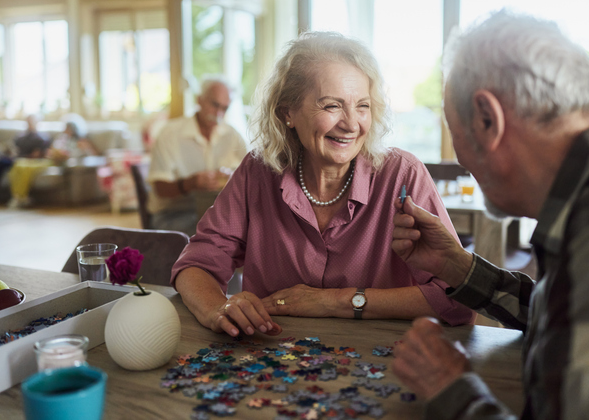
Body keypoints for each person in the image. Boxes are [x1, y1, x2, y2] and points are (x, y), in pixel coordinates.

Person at [391, 12, 589, 419]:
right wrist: (455, 265)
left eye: (453, 131)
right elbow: (566, 314)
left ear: (488, 119)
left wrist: (449, 388)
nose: (459, 158)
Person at [170, 31, 476, 338]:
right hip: (271, 362)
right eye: (332, 106)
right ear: (287, 112)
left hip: (385, 363)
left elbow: (459, 299)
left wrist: (335, 301)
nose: (352, 124)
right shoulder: (257, 171)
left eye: (363, 106)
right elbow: (196, 265)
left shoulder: (402, 175)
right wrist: (216, 308)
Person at [147, 78, 248, 236]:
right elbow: (160, 188)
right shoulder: (170, 134)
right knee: (219, 236)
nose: (219, 113)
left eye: (225, 108)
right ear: (199, 100)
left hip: (218, 214)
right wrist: (190, 183)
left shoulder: (232, 135)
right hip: (175, 214)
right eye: (215, 105)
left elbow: (249, 177)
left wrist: (232, 178)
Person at [8, 114, 97, 208]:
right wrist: (52, 152)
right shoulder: (62, 138)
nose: (64, 130)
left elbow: (91, 154)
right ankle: (18, 196)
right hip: (48, 158)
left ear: (73, 129)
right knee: (18, 164)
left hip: (55, 163)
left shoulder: (81, 141)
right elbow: (51, 149)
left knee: (24, 166)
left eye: (67, 128)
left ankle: (20, 197)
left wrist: (77, 151)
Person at [0, 114, 49, 203]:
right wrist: (7, 150)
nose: (29, 124)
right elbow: (12, 147)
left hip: (20, 160)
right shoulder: (21, 136)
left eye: (31, 122)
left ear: (36, 123)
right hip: (9, 156)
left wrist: (22, 156)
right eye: (27, 122)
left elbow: (37, 155)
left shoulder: (41, 138)